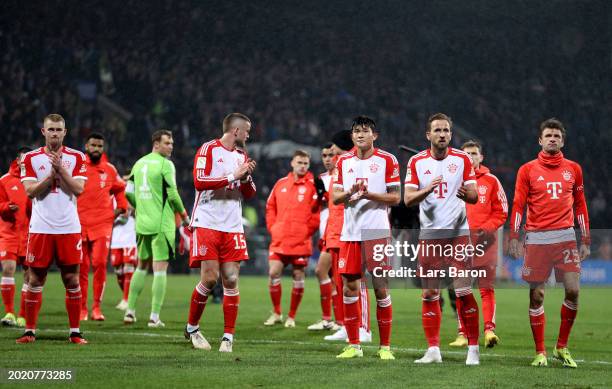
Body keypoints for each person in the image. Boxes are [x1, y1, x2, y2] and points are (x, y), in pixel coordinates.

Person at [508, 118, 590, 368]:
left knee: (574, 291)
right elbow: (519, 204)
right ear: (540, 140)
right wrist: (514, 236)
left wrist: (585, 238)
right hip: (537, 238)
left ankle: (561, 347)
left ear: (562, 141)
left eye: (557, 135)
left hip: (565, 237)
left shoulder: (573, 169)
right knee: (537, 295)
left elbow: (580, 205)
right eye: (548, 135)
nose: (552, 138)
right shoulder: (527, 170)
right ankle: (540, 352)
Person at [404, 113, 481, 365]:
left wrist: (466, 194)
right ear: (428, 135)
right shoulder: (416, 162)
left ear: (451, 134)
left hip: (458, 234)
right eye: (437, 130)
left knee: (463, 290)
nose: (442, 134)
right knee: (429, 293)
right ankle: (433, 350)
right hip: (430, 235)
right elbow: (407, 200)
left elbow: (474, 196)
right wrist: (427, 189)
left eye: (446, 130)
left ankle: (473, 349)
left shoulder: (462, 160)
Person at [184, 112, 256, 353]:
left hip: (232, 225)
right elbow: (199, 180)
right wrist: (232, 175)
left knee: (232, 279)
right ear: (235, 131)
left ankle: (228, 337)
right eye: (246, 130)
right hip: (207, 222)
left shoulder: (241, 156)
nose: (248, 135)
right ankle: (192, 328)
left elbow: (250, 193)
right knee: (210, 278)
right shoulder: (209, 149)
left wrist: (245, 178)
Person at [333, 116, 400, 360]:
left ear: (375, 135)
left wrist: (369, 194)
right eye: (356, 131)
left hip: (377, 233)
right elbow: (335, 198)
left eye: (365, 131)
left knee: (381, 289)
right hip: (350, 234)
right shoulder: (343, 162)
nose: (360, 135)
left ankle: (385, 348)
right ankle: (354, 345)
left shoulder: (387, 160)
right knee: (349, 288)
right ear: (351, 136)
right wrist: (349, 193)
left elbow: (396, 198)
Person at [17, 113, 87, 344]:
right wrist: (50, 176)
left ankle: (75, 333)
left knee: (72, 280)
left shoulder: (77, 157)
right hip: (41, 228)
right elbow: (29, 192)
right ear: (43, 131)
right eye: (51, 129)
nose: (55, 133)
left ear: (65, 132)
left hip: (68, 227)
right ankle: (29, 332)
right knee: (35, 279)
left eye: (59, 130)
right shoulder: (30, 158)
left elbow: (78, 189)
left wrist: (62, 171)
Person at [124, 129, 189, 327]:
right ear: (156, 144)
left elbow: (128, 192)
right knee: (160, 269)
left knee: (141, 267)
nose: (171, 146)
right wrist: (185, 217)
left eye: (172, 143)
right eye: (167, 143)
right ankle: (154, 317)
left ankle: (130, 311)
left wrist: (141, 207)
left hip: (142, 223)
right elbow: (173, 195)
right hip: (161, 223)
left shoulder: (139, 162)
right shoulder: (166, 164)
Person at [449, 140, 508, 348]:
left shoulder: (491, 181)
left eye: (474, 153)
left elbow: (502, 211)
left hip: (485, 243)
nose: (471, 157)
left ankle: (489, 330)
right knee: (461, 289)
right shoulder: (453, 180)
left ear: (481, 157)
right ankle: (462, 334)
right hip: (459, 243)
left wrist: (487, 228)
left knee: (486, 288)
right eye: (466, 154)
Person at [323, 131, 372, 343]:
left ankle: (364, 328)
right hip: (335, 232)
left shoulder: (354, 162)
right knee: (340, 282)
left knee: (356, 281)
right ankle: (346, 324)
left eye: (333, 146)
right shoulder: (339, 165)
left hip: (351, 230)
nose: (331, 150)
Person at [264, 150, 320, 328]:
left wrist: (306, 231)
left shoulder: (313, 185)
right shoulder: (280, 183)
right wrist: (273, 227)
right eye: (300, 162)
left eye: (305, 163)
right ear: (292, 163)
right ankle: (277, 312)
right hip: (279, 239)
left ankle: (291, 316)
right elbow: (270, 206)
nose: (302, 166)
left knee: (298, 275)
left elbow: (317, 212)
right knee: (273, 273)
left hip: (300, 241)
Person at [77, 133, 128, 321]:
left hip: (101, 226)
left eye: (100, 146)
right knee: (82, 268)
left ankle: (96, 308)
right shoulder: (78, 167)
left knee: (99, 264)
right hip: (80, 225)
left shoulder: (109, 169)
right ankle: (81, 309)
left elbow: (119, 189)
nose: (96, 149)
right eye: (93, 145)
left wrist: (120, 208)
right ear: (86, 146)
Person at [308, 144, 341, 331]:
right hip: (324, 233)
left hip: (337, 233)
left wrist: (326, 194)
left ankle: (333, 320)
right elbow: (317, 207)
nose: (328, 159)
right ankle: (334, 321)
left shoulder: (342, 176)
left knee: (322, 272)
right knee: (330, 276)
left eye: (331, 155)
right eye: (324, 155)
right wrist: (318, 196)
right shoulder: (320, 179)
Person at [0, 146, 32, 327]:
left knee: (29, 275)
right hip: (9, 233)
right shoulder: (4, 180)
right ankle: (9, 312)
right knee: (8, 269)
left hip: (29, 234)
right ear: (17, 160)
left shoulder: (35, 181)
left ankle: (22, 315)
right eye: (22, 159)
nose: (24, 162)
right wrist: (6, 207)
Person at [110, 204, 137, 311]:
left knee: (128, 268)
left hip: (130, 235)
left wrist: (129, 207)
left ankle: (126, 300)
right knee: (118, 271)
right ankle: (127, 297)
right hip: (116, 237)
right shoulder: (111, 190)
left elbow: (138, 204)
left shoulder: (133, 188)